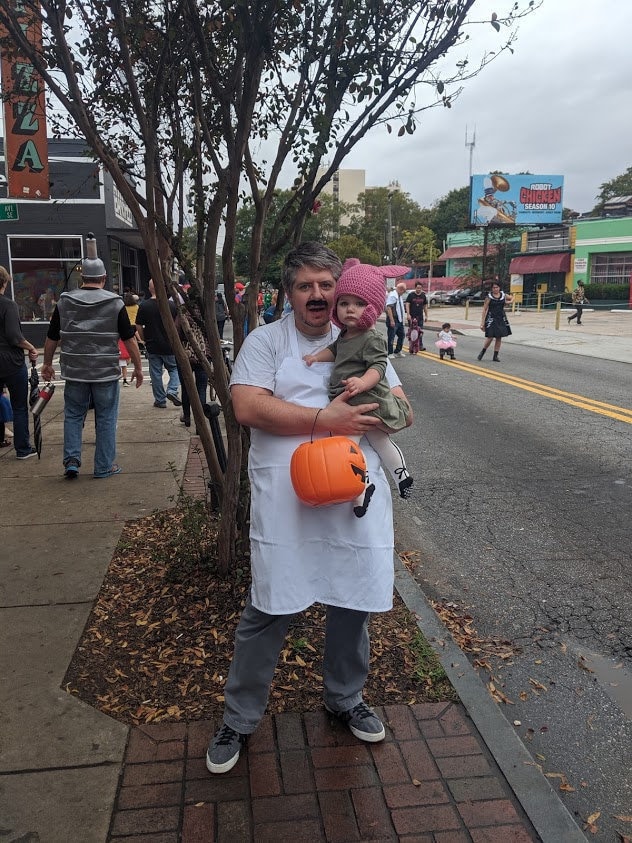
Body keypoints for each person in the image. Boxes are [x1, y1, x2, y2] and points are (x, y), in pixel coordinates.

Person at [205, 242, 414, 775]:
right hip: (287, 500)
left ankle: (345, 699)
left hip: (352, 497)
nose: (318, 296)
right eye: (306, 286)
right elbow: (248, 405)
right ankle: (239, 719)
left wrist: (382, 412)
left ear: (342, 291)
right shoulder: (266, 342)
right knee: (271, 606)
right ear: (290, 294)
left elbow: (402, 410)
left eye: (327, 285)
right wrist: (325, 421)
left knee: (352, 602)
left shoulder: (364, 343)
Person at [303, 259, 413, 515]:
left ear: (373, 308)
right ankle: (401, 475)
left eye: (359, 304)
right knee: (376, 439)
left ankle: (363, 490)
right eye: (344, 303)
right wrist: (316, 358)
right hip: (351, 399)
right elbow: (334, 351)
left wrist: (362, 382)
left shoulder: (372, 337)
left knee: (347, 446)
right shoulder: (345, 335)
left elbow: (378, 367)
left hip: (364, 398)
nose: (350, 310)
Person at [41, 234, 143, 478]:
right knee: (106, 418)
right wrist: (138, 368)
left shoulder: (65, 302)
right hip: (105, 371)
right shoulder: (115, 302)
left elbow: (52, 336)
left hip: (75, 370)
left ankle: (72, 461)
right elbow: (129, 338)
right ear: (104, 278)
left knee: (73, 415)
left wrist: (46, 363)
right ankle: (104, 466)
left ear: (82, 277)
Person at [0, 265, 39, 459]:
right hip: (10, 362)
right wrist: (31, 347)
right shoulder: (8, 305)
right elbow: (15, 336)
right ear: (5, 283)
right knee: (19, 406)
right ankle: (23, 448)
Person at [135, 279, 182, 408]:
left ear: (150, 289)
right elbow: (178, 324)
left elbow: (138, 324)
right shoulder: (171, 306)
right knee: (174, 369)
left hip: (152, 344)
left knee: (155, 373)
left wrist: (143, 339)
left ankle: (160, 400)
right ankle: (172, 390)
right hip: (170, 344)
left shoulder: (144, 306)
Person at [175, 287, 209, 429]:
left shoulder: (183, 311)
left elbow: (176, 330)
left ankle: (187, 416)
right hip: (203, 353)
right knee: (201, 387)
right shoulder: (206, 310)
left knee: (187, 387)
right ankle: (200, 421)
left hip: (186, 354)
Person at [477, 282, 513, 362]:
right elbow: (484, 309)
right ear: (491, 289)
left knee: (499, 337)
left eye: (497, 287)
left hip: (501, 318)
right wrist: (482, 322)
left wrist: (508, 302)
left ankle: (495, 355)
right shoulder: (489, 297)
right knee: (490, 337)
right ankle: (483, 351)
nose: (495, 289)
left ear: (499, 288)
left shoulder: (503, 295)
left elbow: (512, 298)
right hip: (491, 318)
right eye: (494, 288)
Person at [385, 280, 408, 357]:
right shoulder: (393, 296)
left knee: (402, 335)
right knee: (391, 336)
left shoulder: (399, 296)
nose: (403, 293)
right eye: (403, 291)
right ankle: (390, 353)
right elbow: (389, 308)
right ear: (401, 289)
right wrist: (391, 320)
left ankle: (398, 351)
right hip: (393, 319)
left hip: (399, 320)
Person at [405, 282, 428, 351]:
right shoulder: (411, 295)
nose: (419, 289)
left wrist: (426, 315)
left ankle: (420, 345)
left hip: (420, 317)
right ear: (415, 288)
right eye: (418, 288)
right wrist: (408, 314)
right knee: (412, 332)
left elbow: (425, 306)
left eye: (420, 288)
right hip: (412, 317)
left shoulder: (423, 295)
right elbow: (407, 304)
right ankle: (411, 345)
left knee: (420, 331)